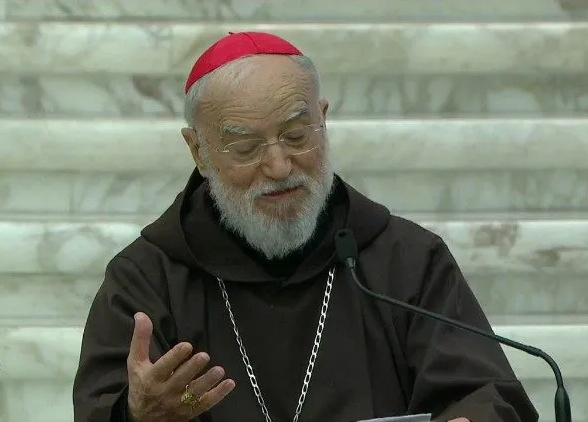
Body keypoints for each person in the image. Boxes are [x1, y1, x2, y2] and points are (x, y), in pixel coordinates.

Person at [72, 31, 539, 422]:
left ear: (324, 119)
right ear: (198, 151)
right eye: (246, 147)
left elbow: (486, 394)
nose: (279, 166)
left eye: (297, 136)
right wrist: (135, 416)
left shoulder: (407, 261)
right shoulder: (146, 280)